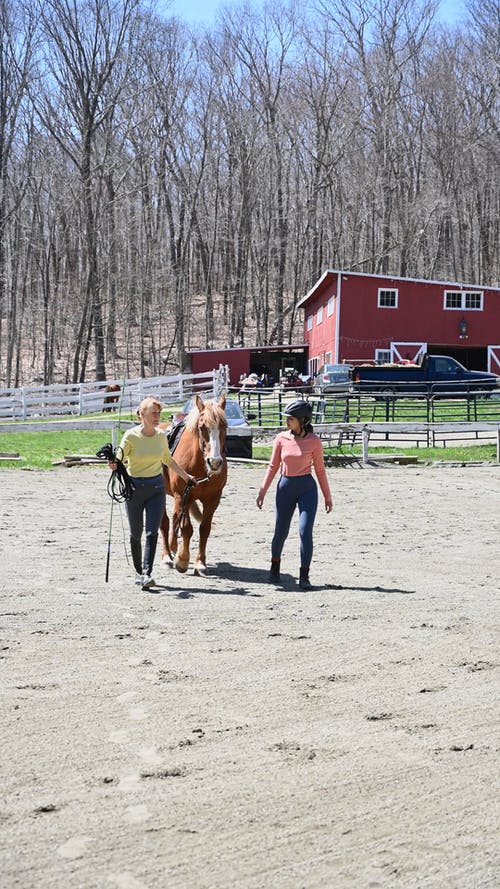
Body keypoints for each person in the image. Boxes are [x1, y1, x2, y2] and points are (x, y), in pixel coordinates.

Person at [108, 396, 196, 590]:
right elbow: (120, 457)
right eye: (154, 413)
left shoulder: (160, 436)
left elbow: (168, 459)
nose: (158, 417)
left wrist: (186, 475)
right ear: (142, 415)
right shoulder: (130, 436)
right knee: (135, 533)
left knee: (151, 532)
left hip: (156, 489)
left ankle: (147, 573)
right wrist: (114, 463)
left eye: (159, 413)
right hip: (134, 490)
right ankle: (138, 571)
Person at [256, 400, 332, 590]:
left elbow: (321, 471)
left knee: (305, 531)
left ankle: (304, 575)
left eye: (291, 419)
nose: (287, 422)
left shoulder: (314, 441)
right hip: (285, 488)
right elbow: (273, 466)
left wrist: (327, 496)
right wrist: (263, 490)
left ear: (302, 421)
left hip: (307, 488)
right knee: (280, 531)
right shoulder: (281, 438)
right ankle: (275, 568)